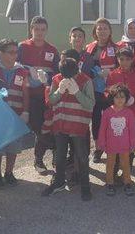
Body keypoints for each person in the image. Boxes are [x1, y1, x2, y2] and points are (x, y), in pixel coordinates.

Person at [41, 55, 95, 201]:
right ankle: (59, 182)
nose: (69, 78)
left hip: (78, 125)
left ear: (77, 69)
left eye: (72, 75)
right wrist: (59, 91)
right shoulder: (57, 79)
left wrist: (77, 92)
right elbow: (51, 101)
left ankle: (85, 186)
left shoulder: (86, 81)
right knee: (59, 156)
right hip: (61, 124)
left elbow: (90, 104)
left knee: (82, 157)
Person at [0, 39, 30, 189]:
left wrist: (26, 111)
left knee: (13, 146)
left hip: (16, 115)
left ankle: (9, 172)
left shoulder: (21, 70)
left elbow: (26, 92)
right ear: (1, 53)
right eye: (11, 52)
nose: (14, 55)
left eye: (16, 52)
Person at [18, 16, 59, 174]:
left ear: (46, 30)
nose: (40, 33)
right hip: (29, 95)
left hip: (48, 96)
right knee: (38, 128)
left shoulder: (52, 50)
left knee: (51, 126)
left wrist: (47, 78)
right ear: (31, 30)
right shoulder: (22, 47)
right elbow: (15, 66)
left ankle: (50, 158)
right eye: (36, 29)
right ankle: (45, 155)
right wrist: (28, 71)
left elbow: (57, 73)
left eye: (43, 30)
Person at [85, 18, 119, 163]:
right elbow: (85, 69)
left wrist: (110, 74)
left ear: (110, 31)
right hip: (93, 90)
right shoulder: (89, 48)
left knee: (112, 119)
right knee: (96, 120)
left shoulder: (116, 48)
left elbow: (122, 67)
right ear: (95, 31)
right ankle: (98, 149)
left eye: (105, 28)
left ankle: (113, 146)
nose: (102, 31)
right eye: (99, 28)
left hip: (110, 90)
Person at [97, 84, 135, 196]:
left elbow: (133, 130)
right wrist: (101, 142)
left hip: (125, 145)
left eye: (122, 97)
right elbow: (102, 129)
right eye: (117, 97)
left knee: (125, 164)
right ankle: (110, 183)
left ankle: (127, 182)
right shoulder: (107, 112)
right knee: (110, 164)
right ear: (112, 98)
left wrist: (133, 144)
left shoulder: (129, 113)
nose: (120, 100)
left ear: (126, 98)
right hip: (111, 145)